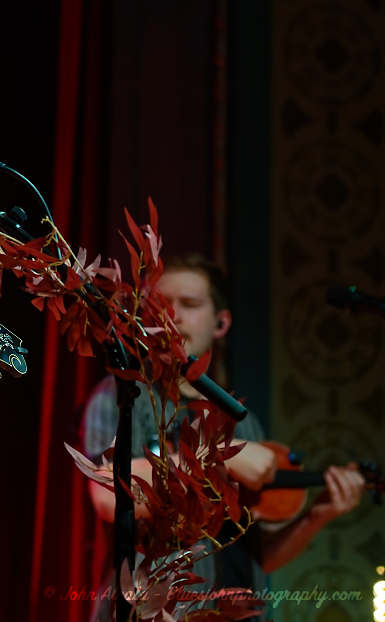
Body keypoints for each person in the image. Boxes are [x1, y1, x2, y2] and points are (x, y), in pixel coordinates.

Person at [81, 254, 367, 618]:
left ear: (221, 322)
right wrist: (213, 457)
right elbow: (108, 496)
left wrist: (317, 516)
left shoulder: (242, 420)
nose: (174, 316)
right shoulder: (122, 396)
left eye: (190, 304)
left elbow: (256, 552)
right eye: (162, 304)